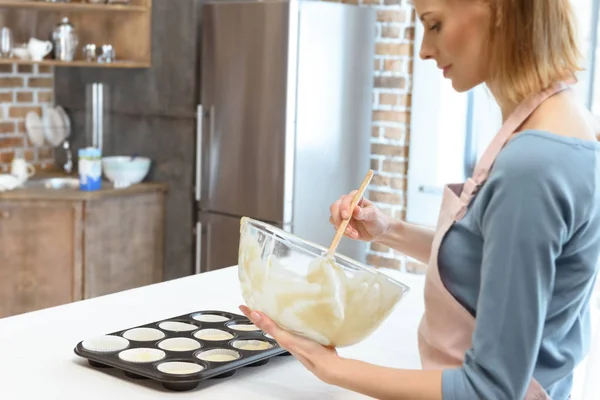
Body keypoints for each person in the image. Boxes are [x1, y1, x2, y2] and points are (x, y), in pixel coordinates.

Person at [240, 0, 600, 398]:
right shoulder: (564, 123)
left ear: (499, 9)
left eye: (434, 24)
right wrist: (387, 230)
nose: (424, 49)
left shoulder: (532, 166)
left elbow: (490, 391)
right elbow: (491, 263)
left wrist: (333, 369)